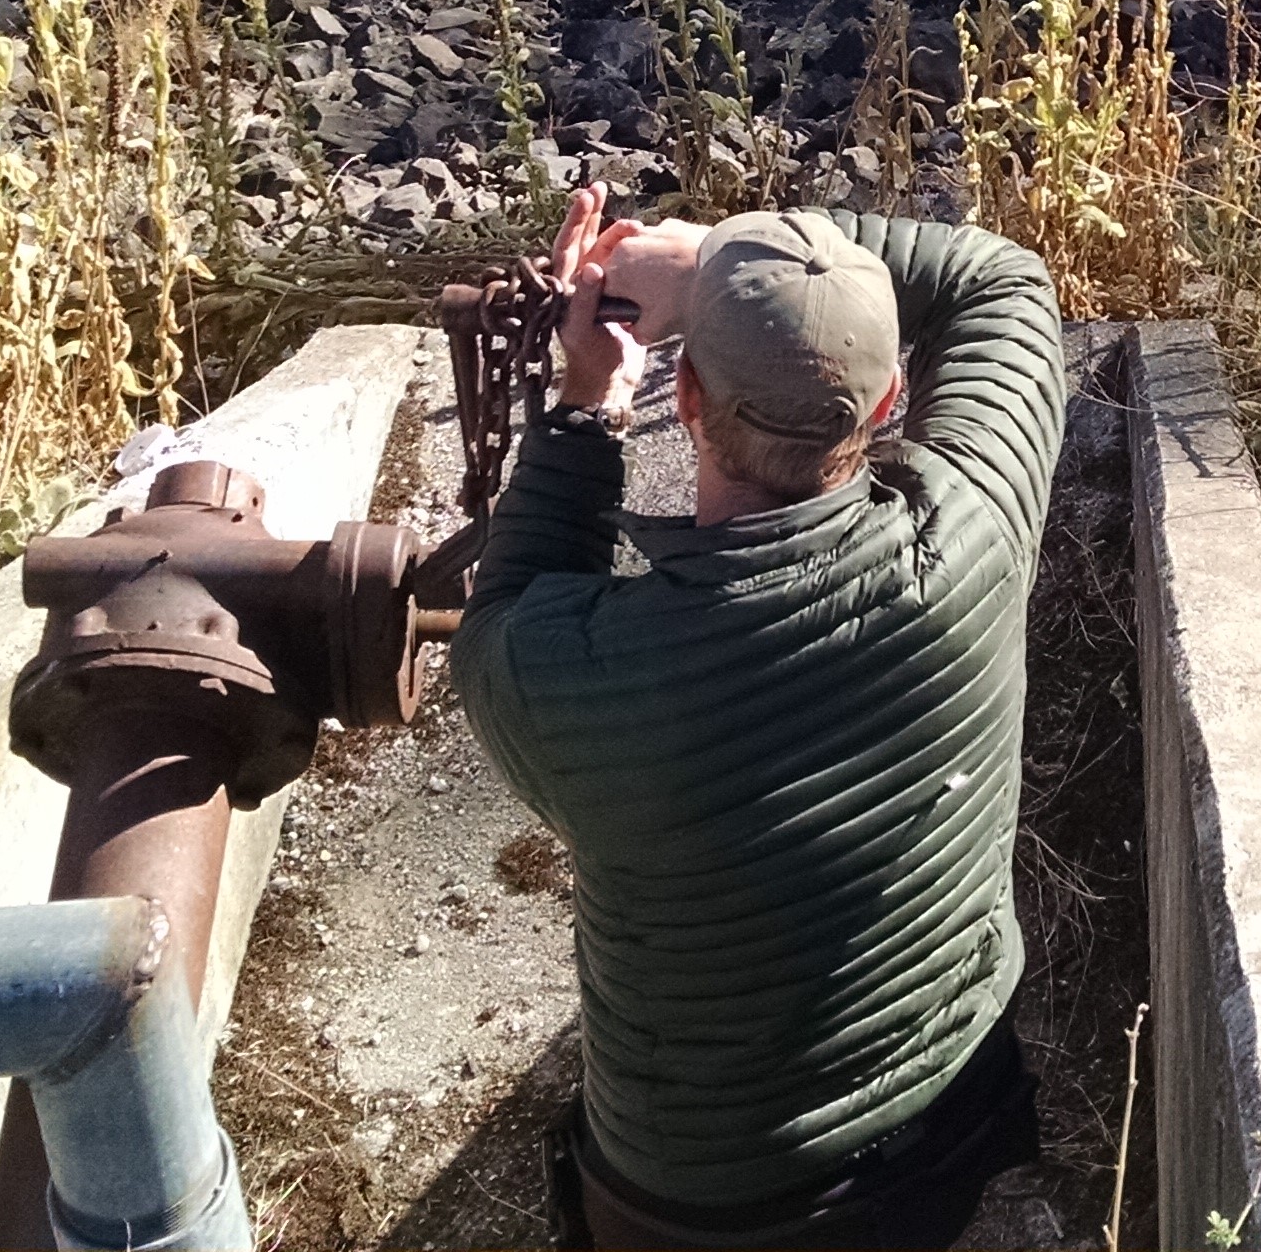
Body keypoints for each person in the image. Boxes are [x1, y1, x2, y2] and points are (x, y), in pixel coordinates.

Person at [448, 184, 1069, 1252]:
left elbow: (498, 609)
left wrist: (588, 402)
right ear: (886, 406)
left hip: (697, 1212)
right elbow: (1003, 277)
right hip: (944, 1135)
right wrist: (717, 265)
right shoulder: (978, 534)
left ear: (682, 397)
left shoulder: (580, 676)